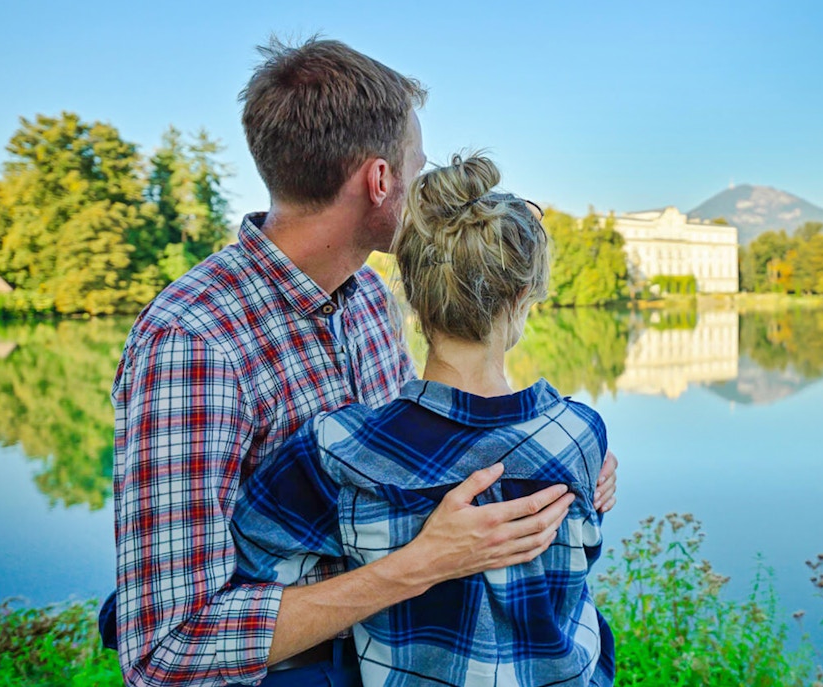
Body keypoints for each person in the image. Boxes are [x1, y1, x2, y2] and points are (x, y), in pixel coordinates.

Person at [110, 38, 617, 687]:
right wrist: (420, 564)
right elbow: (166, 649)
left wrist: (554, 460)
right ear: (381, 181)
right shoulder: (193, 342)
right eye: (419, 166)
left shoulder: (371, 300)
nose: (432, 189)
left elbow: (420, 453)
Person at [232, 153, 614, 686]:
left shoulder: (338, 448)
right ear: (525, 296)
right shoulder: (578, 434)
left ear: (410, 294)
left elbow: (249, 561)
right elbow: (576, 575)